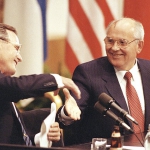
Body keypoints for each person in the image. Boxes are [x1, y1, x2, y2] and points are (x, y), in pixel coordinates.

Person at [56, 17, 150, 145]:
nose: (114, 48)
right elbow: (73, 112)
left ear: (139, 46)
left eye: (122, 42)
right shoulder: (88, 73)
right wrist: (67, 113)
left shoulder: (148, 70)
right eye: (110, 41)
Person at [0, 23, 81, 146]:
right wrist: (58, 80)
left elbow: (9, 137)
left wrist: (42, 137)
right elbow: (18, 87)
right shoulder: (7, 86)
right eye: (16, 48)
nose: (20, 58)